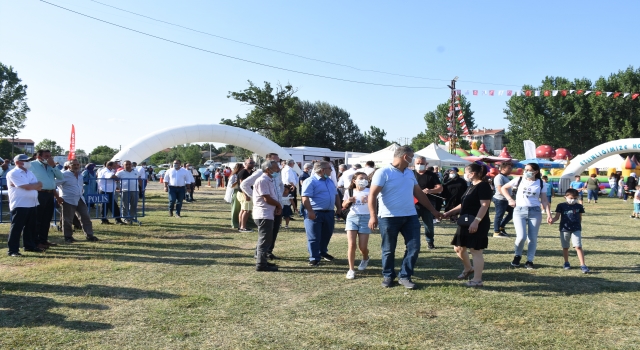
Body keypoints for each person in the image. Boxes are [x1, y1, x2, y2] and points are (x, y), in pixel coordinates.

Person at [367, 146, 442, 289]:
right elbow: (372, 195)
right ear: (405, 156)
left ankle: (405, 276)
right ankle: (388, 275)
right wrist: (372, 216)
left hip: (410, 216)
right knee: (388, 249)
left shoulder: (409, 173)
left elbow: (419, 194)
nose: (414, 160)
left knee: (414, 247)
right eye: (412, 156)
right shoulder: (383, 172)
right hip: (389, 217)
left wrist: (433, 211)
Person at [443, 163, 492, 287]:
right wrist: (449, 212)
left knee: (475, 251)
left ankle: (477, 280)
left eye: (466, 172)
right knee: (458, 247)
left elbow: (485, 205)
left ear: (473, 173)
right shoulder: (471, 186)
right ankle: (468, 268)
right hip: (465, 221)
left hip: (477, 222)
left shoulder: (483, 186)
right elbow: (463, 204)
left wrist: (476, 221)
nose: (464, 174)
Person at [501, 163, 551, 270]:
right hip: (519, 211)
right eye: (525, 169)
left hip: (535, 212)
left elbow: (544, 200)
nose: (526, 171)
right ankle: (517, 256)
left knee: (532, 238)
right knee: (521, 237)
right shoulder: (519, 179)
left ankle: (530, 260)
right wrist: (510, 199)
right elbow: (503, 188)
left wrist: (549, 214)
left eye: (529, 170)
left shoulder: (541, 183)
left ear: (536, 172)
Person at [240, 153, 284, 259]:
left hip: (276, 206)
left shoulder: (277, 172)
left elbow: (280, 185)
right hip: (267, 207)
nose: (278, 164)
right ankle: (260, 255)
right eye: (275, 161)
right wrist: (255, 197)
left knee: (274, 231)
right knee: (265, 233)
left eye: (278, 161)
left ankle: (268, 251)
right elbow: (244, 184)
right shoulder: (260, 173)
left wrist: (279, 199)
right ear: (268, 161)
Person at [301, 161, 342, 266]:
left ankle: (322, 252)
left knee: (326, 234)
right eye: (330, 168)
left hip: (329, 213)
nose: (331, 171)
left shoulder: (330, 181)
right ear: (322, 170)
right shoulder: (310, 181)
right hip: (315, 212)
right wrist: (310, 211)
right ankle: (314, 257)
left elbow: (336, 195)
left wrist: (338, 207)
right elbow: (305, 197)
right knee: (314, 236)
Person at [6, 154, 43, 256]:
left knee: (31, 227)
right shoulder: (13, 173)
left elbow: (40, 185)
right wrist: (33, 185)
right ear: (17, 162)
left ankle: (29, 246)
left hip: (32, 203)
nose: (28, 162)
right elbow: (26, 186)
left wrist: (33, 186)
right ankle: (13, 250)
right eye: (25, 160)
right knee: (17, 228)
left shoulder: (30, 173)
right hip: (20, 204)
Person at [57, 159, 100, 242]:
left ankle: (90, 235)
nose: (76, 166)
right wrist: (58, 196)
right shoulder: (64, 174)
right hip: (68, 199)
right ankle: (68, 237)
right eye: (73, 165)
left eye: (77, 165)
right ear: (69, 166)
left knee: (86, 217)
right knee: (68, 219)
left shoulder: (80, 174)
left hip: (80, 198)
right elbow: (54, 184)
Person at [548, 188, 590, 273]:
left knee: (578, 246)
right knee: (565, 247)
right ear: (565, 197)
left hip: (576, 229)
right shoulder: (561, 206)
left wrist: (579, 225)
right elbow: (557, 217)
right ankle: (566, 262)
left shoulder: (579, 206)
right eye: (571, 198)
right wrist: (552, 220)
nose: (573, 200)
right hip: (564, 229)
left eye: (575, 198)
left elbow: (580, 217)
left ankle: (583, 265)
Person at [30, 149, 65, 249]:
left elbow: (60, 176)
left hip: (50, 194)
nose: (48, 158)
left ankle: (43, 240)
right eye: (46, 156)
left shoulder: (51, 166)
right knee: (38, 219)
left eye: (50, 156)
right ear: (39, 156)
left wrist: (53, 166)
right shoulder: (32, 165)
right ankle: (36, 241)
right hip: (39, 193)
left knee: (46, 219)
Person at [252, 160, 283, 272]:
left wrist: (277, 208)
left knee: (267, 239)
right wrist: (278, 205)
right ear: (267, 169)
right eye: (275, 168)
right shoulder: (262, 180)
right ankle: (261, 264)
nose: (277, 170)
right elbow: (267, 198)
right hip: (263, 214)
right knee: (264, 240)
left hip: (268, 213)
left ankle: (263, 261)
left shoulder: (270, 180)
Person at [342, 172, 371, 279]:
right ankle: (351, 269)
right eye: (361, 178)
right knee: (351, 244)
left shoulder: (370, 191)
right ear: (354, 181)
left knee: (362, 247)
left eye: (365, 178)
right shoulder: (349, 191)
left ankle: (365, 258)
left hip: (365, 218)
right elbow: (343, 205)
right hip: (352, 218)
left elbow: (375, 204)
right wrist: (348, 201)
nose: (363, 180)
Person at [413, 156, 442, 249]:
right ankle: (414, 243)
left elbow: (440, 188)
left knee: (428, 224)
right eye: (418, 163)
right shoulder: (410, 174)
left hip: (428, 204)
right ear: (414, 164)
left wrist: (430, 190)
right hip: (413, 203)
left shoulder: (431, 175)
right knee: (412, 225)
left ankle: (430, 242)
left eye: (422, 163)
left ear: (426, 164)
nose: (420, 165)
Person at [492, 162, 513, 238]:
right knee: (499, 215)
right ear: (503, 169)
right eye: (509, 168)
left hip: (506, 199)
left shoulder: (506, 177)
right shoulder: (499, 177)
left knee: (513, 212)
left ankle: (501, 226)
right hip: (500, 199)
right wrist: (508, 198)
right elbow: (500, 189)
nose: (511, 169)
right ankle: (496, 232)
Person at [237, 158, 257, 232]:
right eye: (250, 163)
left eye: (253, 162)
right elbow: (242, 185)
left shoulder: (252, 172)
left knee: (243, 210)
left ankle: (241, 226)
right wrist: (246, 195)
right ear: (245, 164)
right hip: (244, 193)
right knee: (247, 210)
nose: (252, 164)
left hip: (247, 193)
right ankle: (243, 227)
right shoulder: (243, 172)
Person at [228, 163, 244, 229]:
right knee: (235, 209)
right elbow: (231, 185)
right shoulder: (233, 176)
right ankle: (234, 223)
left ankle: (241, 222)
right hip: (236, 191)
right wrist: (238, 181)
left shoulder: (241, 175)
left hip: (241, 192)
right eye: (242, 167)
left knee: (241, 208)